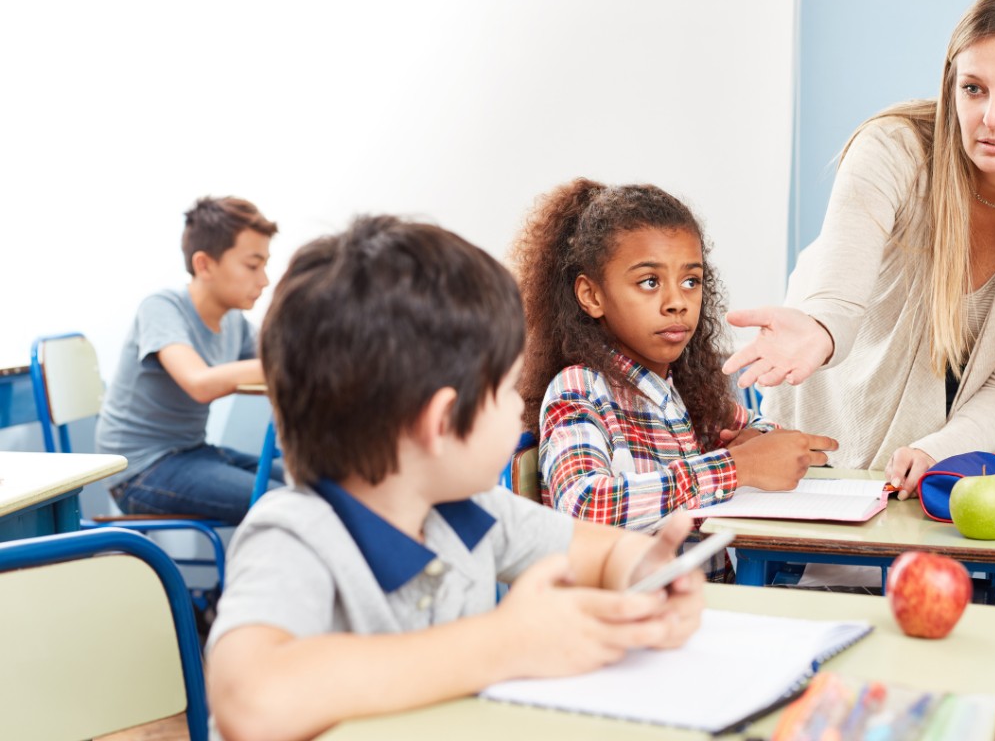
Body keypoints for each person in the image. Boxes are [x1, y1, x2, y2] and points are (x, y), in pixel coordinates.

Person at [205, 215, 705, 741]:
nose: (517, 412)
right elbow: (252, 699)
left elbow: (603, 553)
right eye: (508, 390)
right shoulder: (294, 535)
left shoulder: (470, 509)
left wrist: (646, 574)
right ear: (442, 423)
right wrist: (504, 643)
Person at [724, 0, 995, 500]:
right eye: (972, 88)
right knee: (806, 572)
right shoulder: (894, 148)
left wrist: (941, 447)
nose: (989, 116)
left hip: (954, 440)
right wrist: (819, 329)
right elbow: (839, 295)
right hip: (836, 404)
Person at [512, 178, 837, 576]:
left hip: (707, 612)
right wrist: (736, 466)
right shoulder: (580, 388)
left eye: (691, 281)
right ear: (592, 296)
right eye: (649, 282)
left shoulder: (682, 388)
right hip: (634, 626)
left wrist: (762, 443)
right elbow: (584, 505)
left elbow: (754, 429)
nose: (677, 303)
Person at [96, 196, 286, 523]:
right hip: (139, 471)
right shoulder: (161, 308)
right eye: (253, 265)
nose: (264, 280)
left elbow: (278, 358)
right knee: (278, 502)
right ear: (204, 264)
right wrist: (290, 365)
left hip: (193, 452)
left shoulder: (234, 325)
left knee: (312, 486)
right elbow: (199, 384)